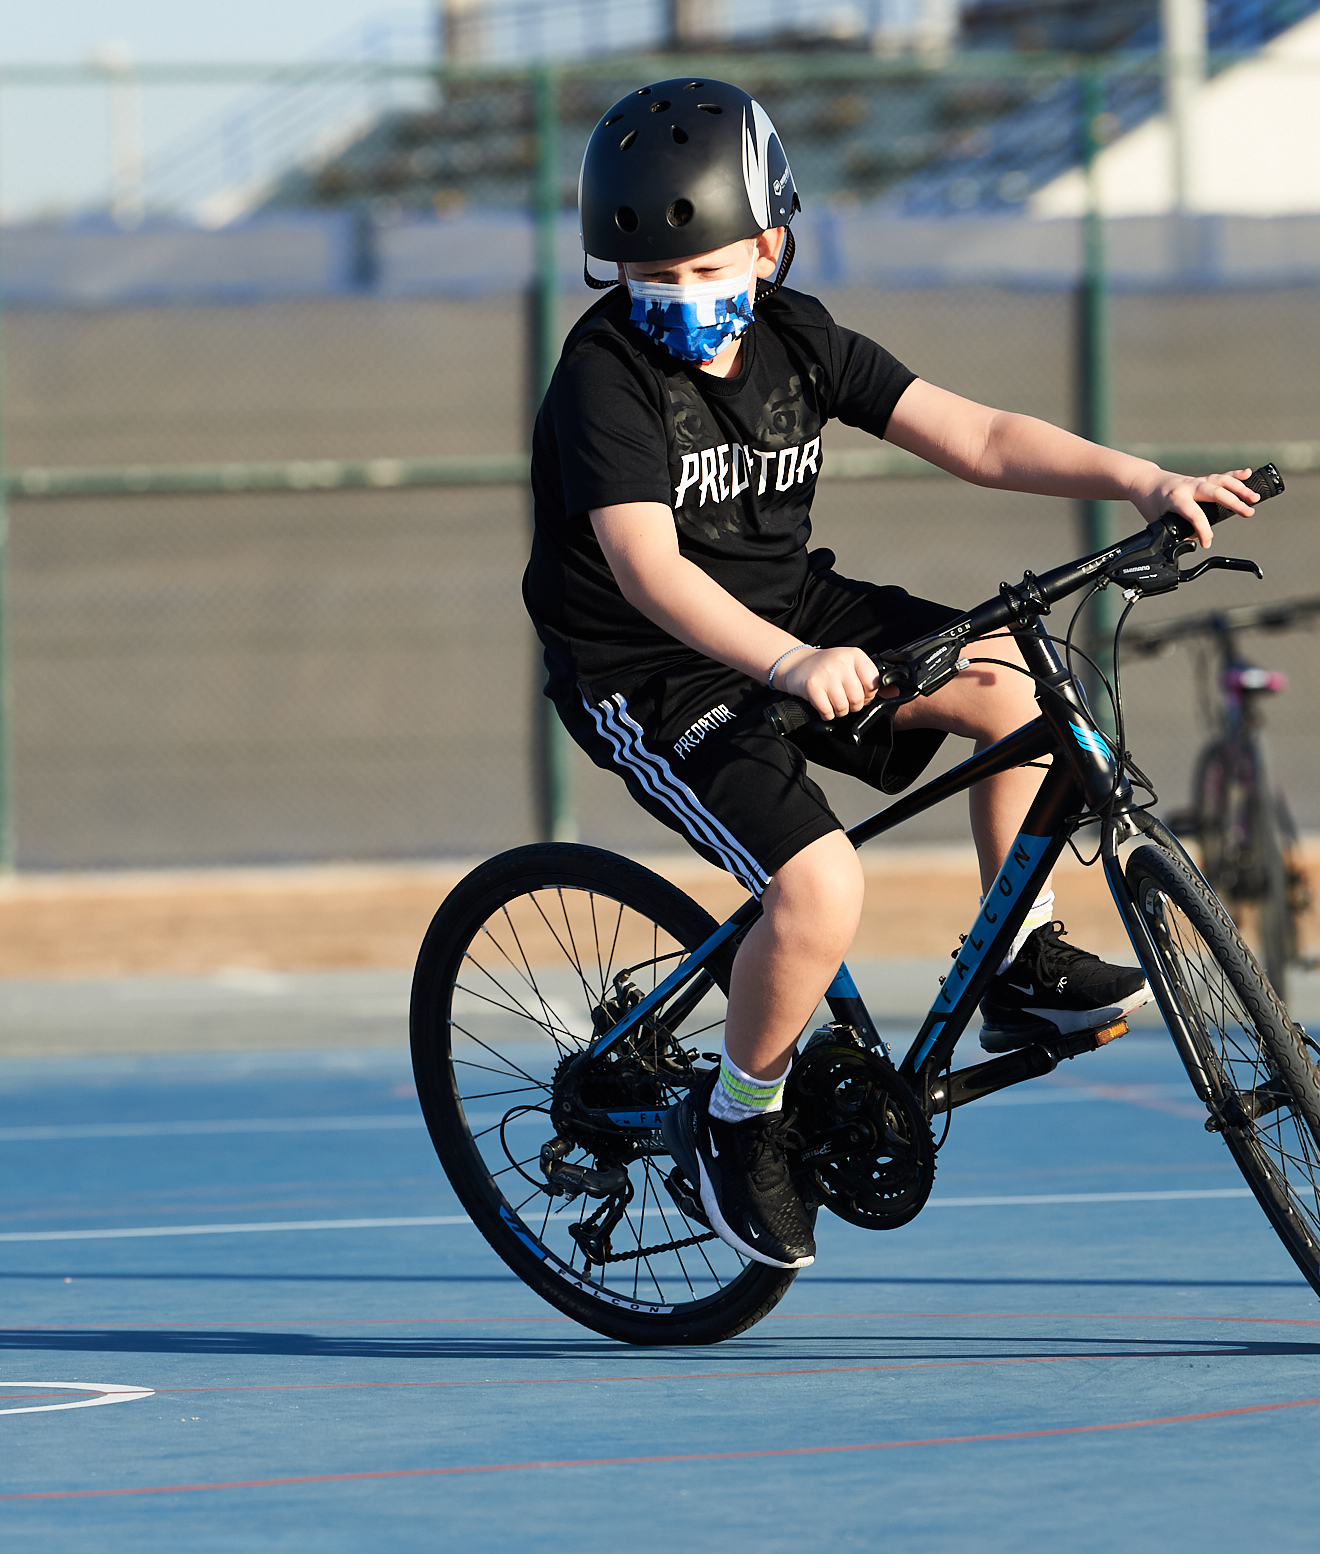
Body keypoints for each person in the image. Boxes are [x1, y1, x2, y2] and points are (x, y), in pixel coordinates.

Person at [523, 78, 1263, 1273]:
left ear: (770, 242)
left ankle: (1021, 952)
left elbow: (974, 435)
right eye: (651, 283)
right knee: (816, 890)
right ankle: (738, 1119)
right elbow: (646, 568)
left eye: (709, 270)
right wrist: (789, 660)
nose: (681, 305)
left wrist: (1142, 479)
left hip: (788, 610)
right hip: (649, 665)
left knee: (1019, 692)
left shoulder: (798, 336)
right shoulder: (602, 376)